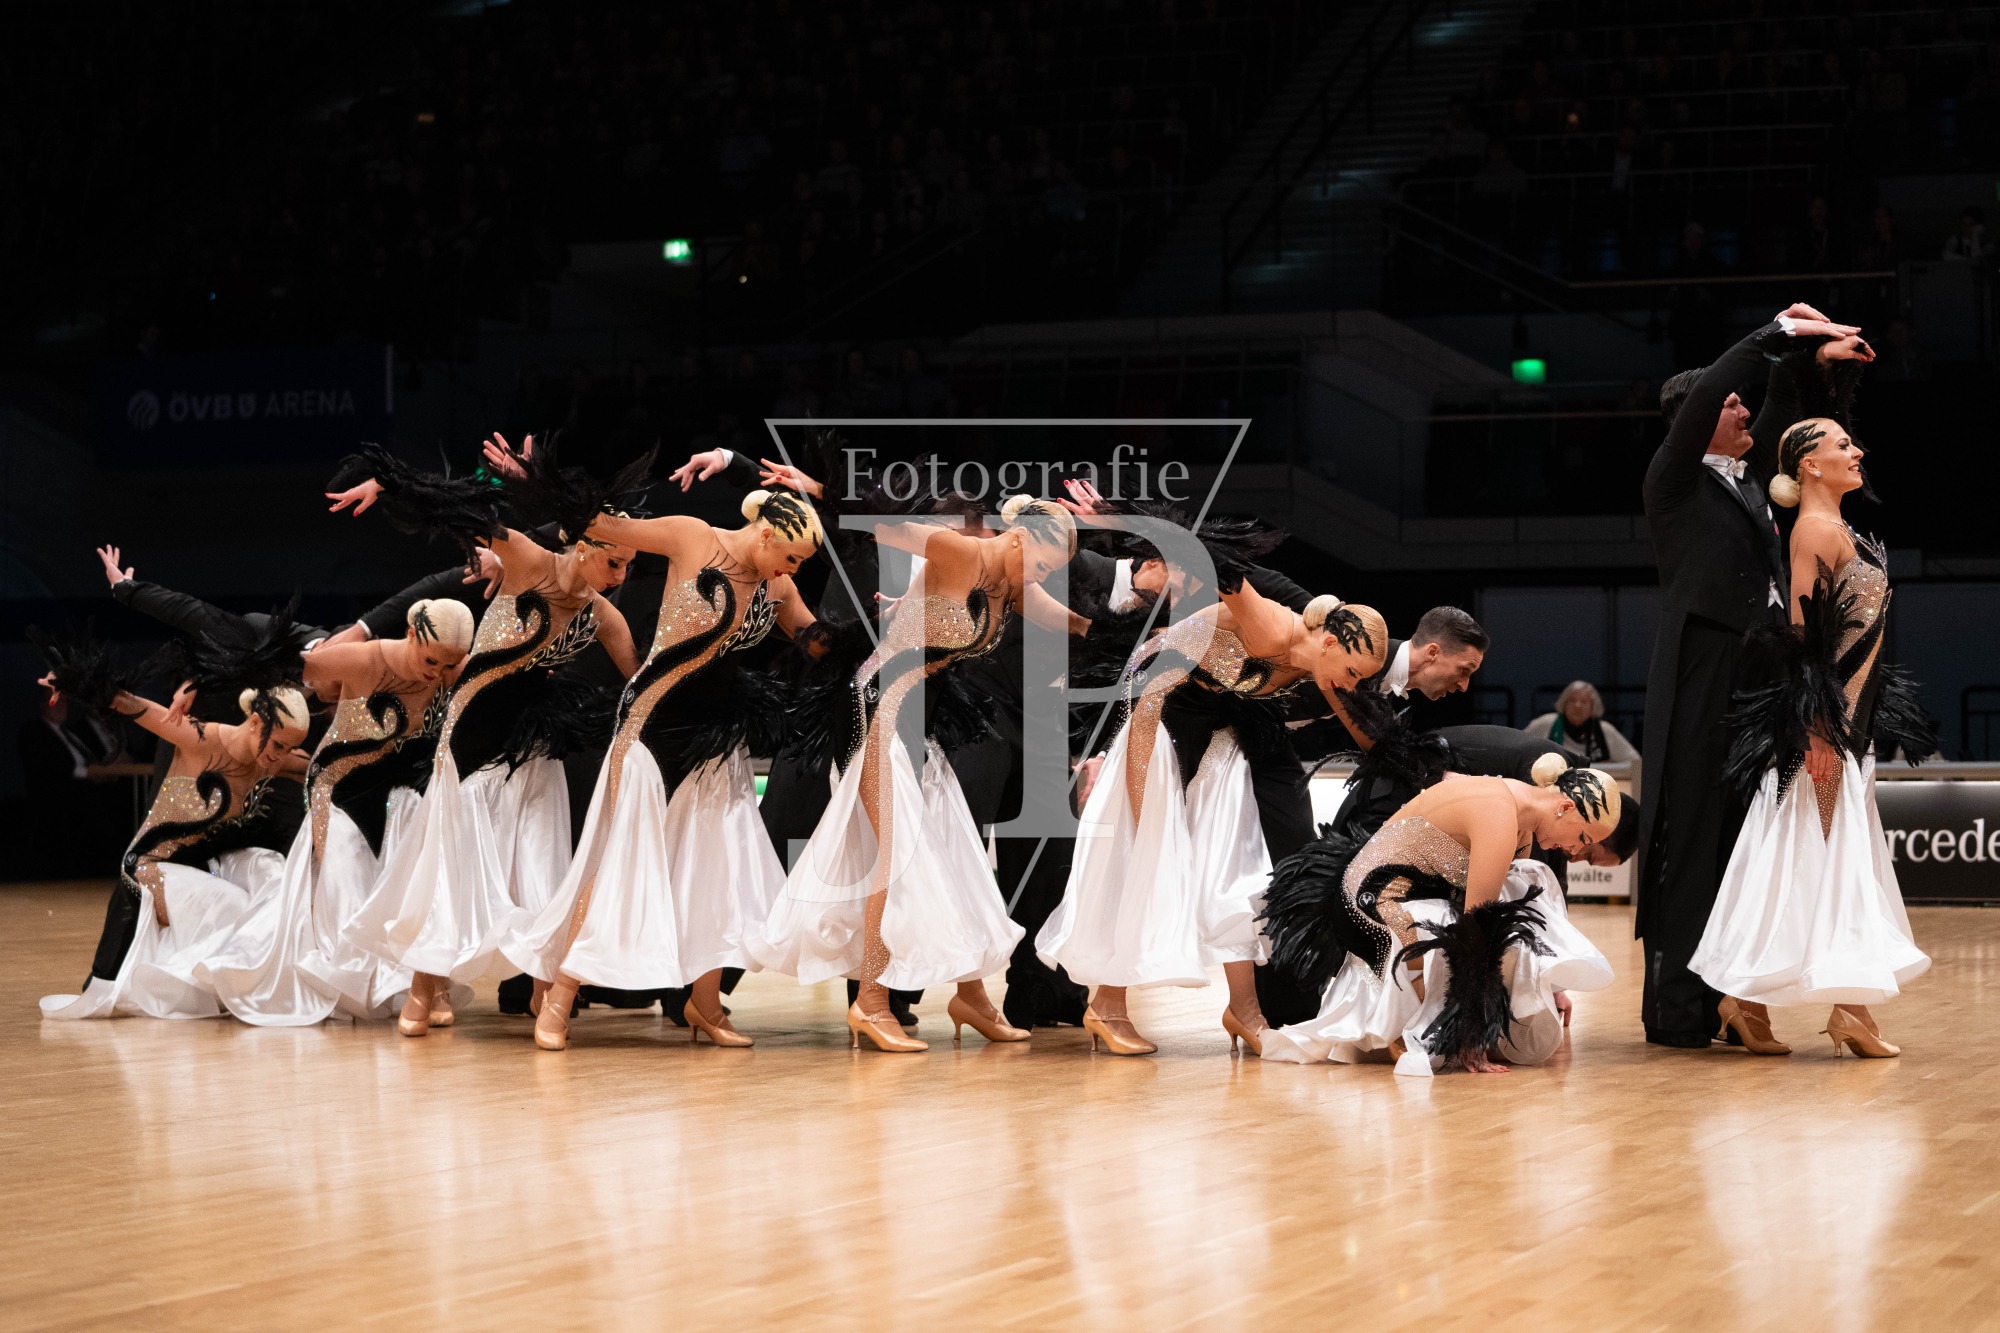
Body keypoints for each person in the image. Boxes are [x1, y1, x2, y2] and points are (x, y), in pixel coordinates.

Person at [324, 441, 640, 1037]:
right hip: (471, 734)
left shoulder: (603, 615)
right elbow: (458, 509)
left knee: (542, 868)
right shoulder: (525, 559)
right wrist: (388, 484)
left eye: (629, 567)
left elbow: (643, 680)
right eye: (616, 563)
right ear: (584, 545)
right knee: (453, 863)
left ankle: (548, 997)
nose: (621, 577)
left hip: (535, 741)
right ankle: (424, 988)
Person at [751, 493, 1079, 1052]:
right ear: (1020, 538)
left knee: (954, 852)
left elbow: (1073, 623)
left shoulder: (1008, 585)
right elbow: (877, 522)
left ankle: (971, 996)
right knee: (895, 857)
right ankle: (870, 1002)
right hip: (875, 709)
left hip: (922, 718)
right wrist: (817, 495)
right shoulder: (956, 551)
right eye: (1044, 565)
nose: (1043, 578)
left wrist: (1143, 631)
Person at [502, 482, 824, 1051]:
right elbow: (603, 526)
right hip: (650, 724)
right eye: (791, 556)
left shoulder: (777, 585)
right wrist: (534, 481)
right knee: (612, 859)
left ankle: (705, 1004)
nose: (792, 569)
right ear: (766, 534)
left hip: (714, 736)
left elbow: (816, 641)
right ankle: (558, 996)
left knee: (715, 873)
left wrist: (881, 638)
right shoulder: (692, 536)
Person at [1636, 303, 1871, 1050]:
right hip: (1701, 668)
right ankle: (1680, 1010)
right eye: (1731, 404)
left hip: (1757, 672)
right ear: (1696, 419)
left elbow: (1784, 407)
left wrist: (1816, 359)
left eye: (1742, 403)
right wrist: (1774, 333)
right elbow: (1715, 389)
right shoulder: (1673, 477)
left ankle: (1736, 1000)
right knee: (1693, 833)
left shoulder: (1747, 479)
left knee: (1746, 836)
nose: (1744, 411)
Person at [1036, 587, 1388, 1057]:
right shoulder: (1268, 628)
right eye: (1352, 673)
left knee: (1235, 869)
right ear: (1328, 643)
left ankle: (1245, 1011)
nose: (1351, 685)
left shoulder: (1313, 665)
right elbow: (1151, 687)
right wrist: (1143, 813)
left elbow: (1362, 727)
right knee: (1136, 860)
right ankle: (1107, 1005)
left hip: (1219, 727)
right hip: (1155, 714)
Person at [1691, 415, 1934, 1057]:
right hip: (1825, 730)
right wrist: (1817, 730)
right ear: (1809, 464)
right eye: (1842, 445)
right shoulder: (1815, 531)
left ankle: (1751, 1002)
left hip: (1850, 722)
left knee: (1808, 857)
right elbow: (1802, 638)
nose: (1857, 451)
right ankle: (1843, 1009)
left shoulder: (1837, 527)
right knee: (1820, 857)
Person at [194, 600, 475, 1026]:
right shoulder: (366, 658)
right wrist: (204, 681)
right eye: (431, 660)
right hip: (336, 786)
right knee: (343, 881)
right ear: (411, 634)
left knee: (420, 872)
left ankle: (425, 982)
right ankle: (346, 978)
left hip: (394, 787)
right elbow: (285, 662)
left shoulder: (452, 669)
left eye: (449, 664)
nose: (438, 673)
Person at [1259, 760, 1621, 1074]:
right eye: (1582, 837)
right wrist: (1470, 1035)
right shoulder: (1499, 814)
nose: (1574, 851)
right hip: (1369, 901)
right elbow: (1476, 933)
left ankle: (1457, 1026)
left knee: (1522, 894)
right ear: (1565, 808)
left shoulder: (1519, 818)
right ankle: (1413, 1028)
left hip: (1416, 893)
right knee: (1482, 927)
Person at [32, 626, 309, 1020]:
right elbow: (130, 704)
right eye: (277, 744)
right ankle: (211, 982)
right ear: (253, 722)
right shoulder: (200, 739)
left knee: (275, 871)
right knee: (231, 902)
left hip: (199, 867)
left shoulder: (272, 761)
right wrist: (74, 679)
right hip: (149, 866)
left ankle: (261, 982)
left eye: (288, 748)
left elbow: (326, 762)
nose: (280, 756)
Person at [1524, 681, 1638, 764]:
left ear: (1593, 707)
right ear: (1564, 704)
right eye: (1572, 701)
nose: (1577, 706)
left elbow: (1635, 761)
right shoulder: (1546, 723)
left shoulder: (1605, 730)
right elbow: (1519, 749)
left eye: (1584, 701)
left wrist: (1613, 766)